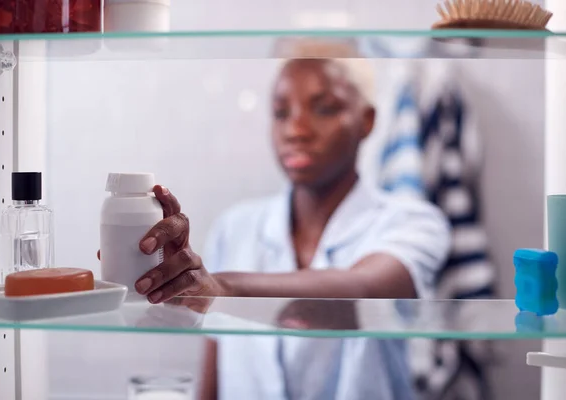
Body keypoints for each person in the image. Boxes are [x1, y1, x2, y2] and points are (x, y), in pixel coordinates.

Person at [131, 50, 451, 399]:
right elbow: (215, 370)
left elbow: (363, 290)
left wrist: (222, 288)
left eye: (325, 108)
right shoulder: (235, 227)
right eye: (282, 113)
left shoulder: (413, 222)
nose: (296, 130)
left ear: (367, 120)